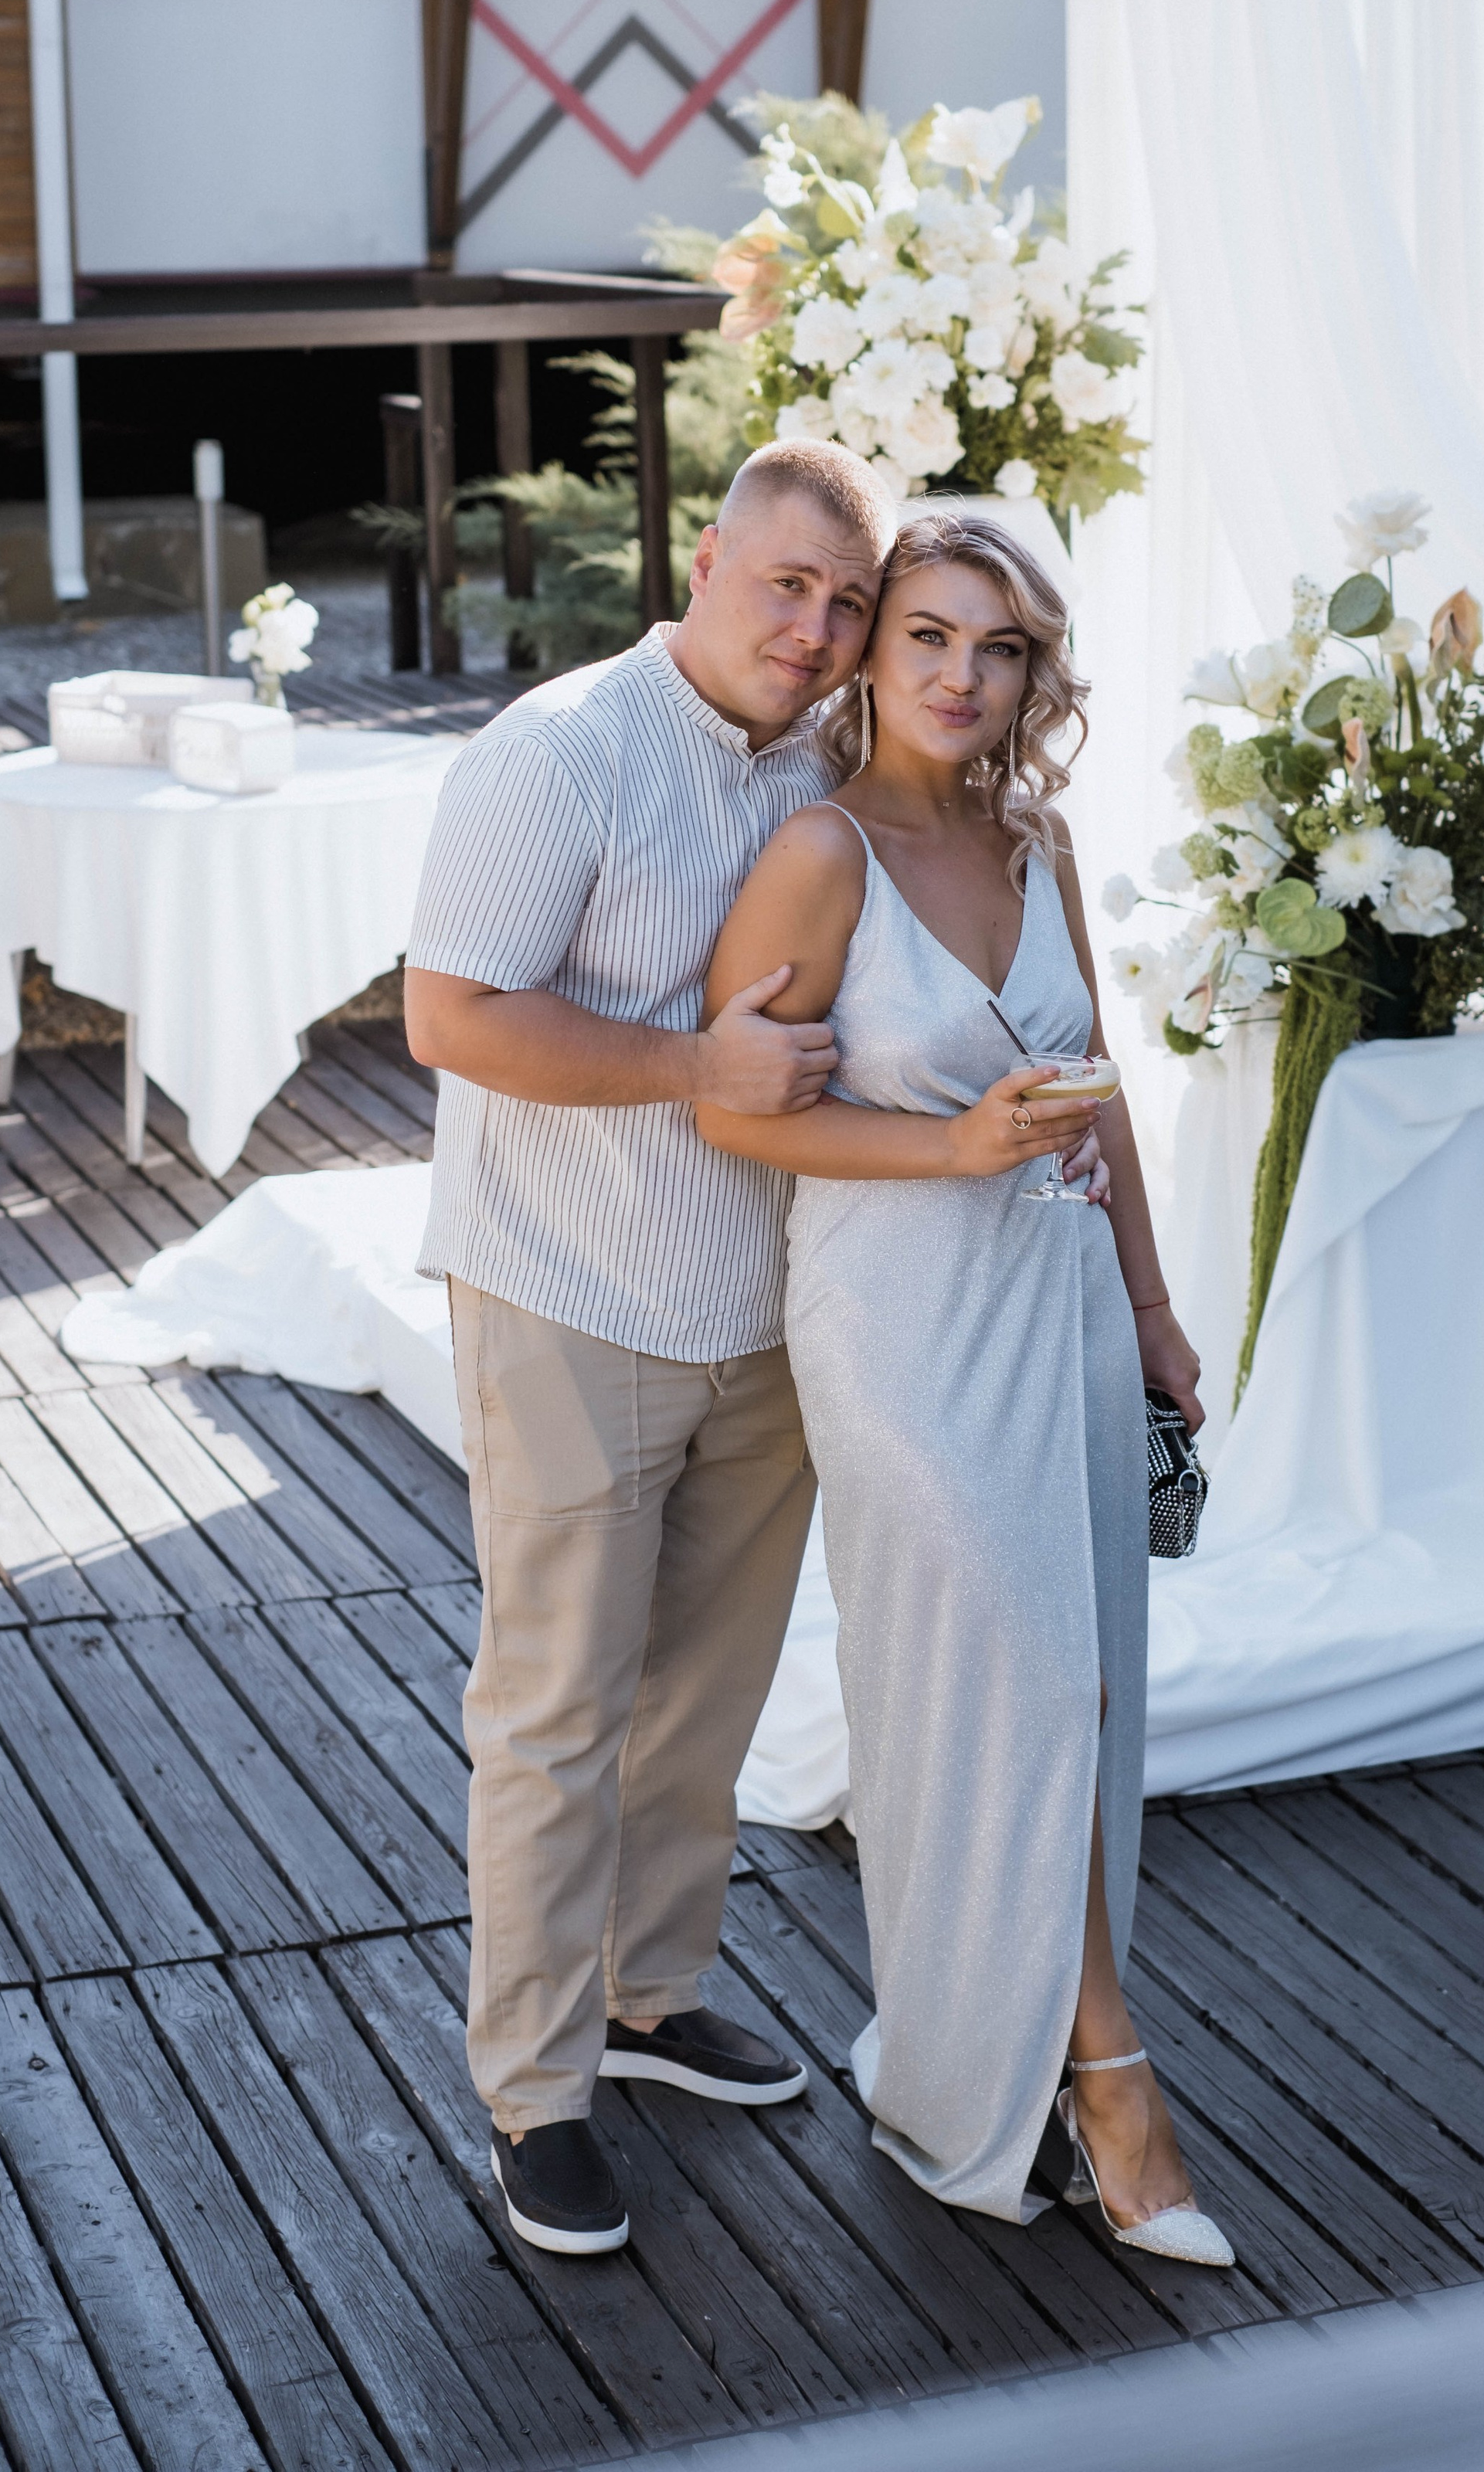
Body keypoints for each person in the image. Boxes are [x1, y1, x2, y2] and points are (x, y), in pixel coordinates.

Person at [403, 443, 1102, 2260]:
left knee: (702, 1694)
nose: (813, 628)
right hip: (568, 1289)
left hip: (776, 1303)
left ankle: (647, 1998)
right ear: (700, 565)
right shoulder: (558, 752)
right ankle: (534, 2094)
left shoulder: (828, 760)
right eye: (783, 586)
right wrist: (681, 1069)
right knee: (556, 1707)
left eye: (842, 602)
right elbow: (446, 1012)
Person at [695, 512, 1232, 2262]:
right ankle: (1111, 2081)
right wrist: (954, 1152)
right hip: (900, 1322)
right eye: (926, 633)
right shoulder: (815, 854)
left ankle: (970, 2057)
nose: (957, 675)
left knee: (1071, 1691)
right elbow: (732, 1109)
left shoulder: (1038, 838)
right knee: (999, 1674)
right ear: (869, 649)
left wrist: (1148, 1304)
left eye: (995, 649)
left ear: (1030, 675)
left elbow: (1095, 1087)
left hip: (1060, 1300)